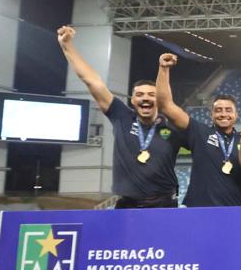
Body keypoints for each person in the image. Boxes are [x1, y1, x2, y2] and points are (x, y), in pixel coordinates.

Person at [57, 26, 186, 208]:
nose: (145, 98)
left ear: (159, 100)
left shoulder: (173, 127)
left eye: (151, 94)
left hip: (164, 204)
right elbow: (92, 81)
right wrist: (67, 46)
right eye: (139, 95)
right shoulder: (122, 116)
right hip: (127, 204)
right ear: (132, 100)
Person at [154, 53, 241, 206]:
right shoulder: (200, 132)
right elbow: (165, 106)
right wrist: (164, 69)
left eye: (228, 110)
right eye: (218, 110)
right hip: (198, 209)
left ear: (236, 115)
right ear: (211, 115)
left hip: (233, 210)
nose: (223, 114)